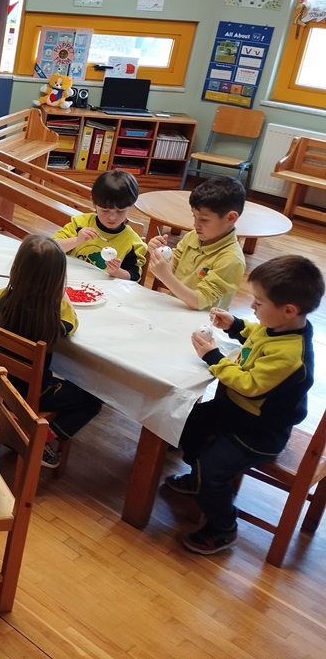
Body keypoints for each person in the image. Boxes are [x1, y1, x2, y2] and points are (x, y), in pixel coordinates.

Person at [165, 255, 324, 555]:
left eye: (259, 303)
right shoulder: (279, 326)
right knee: (183, 422)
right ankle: (198, 476)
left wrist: (213, 357)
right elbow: (257, 332)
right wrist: (235, 324)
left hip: (258, 432)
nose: (252, 306)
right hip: (234, 412)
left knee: (212, 473)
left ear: (289, 310)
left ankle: (223, 527)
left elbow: (249, 385)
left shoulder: (290, 356)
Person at [0, 235, 102, 468]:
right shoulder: (54, 316)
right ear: (58, 280)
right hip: (32, 393)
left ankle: (20, 431)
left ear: (17, 268)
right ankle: (42, 440)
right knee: (93, 399)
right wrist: (62, 296)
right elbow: (73, 324)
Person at [147, 175, 247, 310]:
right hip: (175, 309)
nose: (195, 224)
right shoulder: (192, 237)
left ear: (230, 218)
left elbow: (199, 302)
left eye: (204, 219)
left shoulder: (232, 260)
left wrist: (165, 275)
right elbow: (170, 269)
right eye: (194, 216)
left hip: (202, 320)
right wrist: (159, 255)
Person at [54, 169, 148, 281]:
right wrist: (77, 240)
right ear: (94, 204)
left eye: (120, 211)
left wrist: (117, 272)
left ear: (131, 206)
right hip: (71, 280)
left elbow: (134, 277)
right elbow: (53, 247)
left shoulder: (133, 242)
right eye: (105, 210)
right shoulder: (80, 223)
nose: (112, 217)